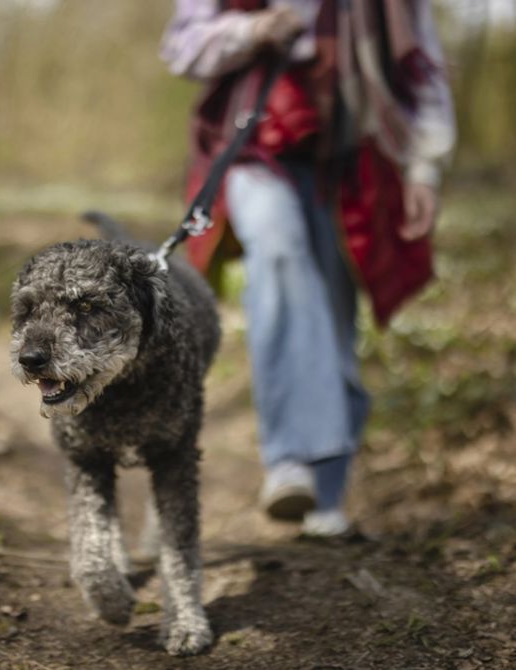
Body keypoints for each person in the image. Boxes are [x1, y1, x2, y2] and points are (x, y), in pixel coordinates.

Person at [160, 0, 455, 536]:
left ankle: (327, 493)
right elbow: (180, 47)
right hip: (255, 152)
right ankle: (290, 459)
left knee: (335, 315)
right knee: (278, 258)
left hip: (351, 163)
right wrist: (253, 28)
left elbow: (420, 64)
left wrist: (423, 167)